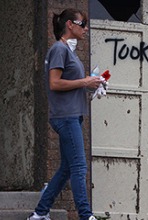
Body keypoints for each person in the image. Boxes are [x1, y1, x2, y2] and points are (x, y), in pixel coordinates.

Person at [27, 8, 102, 220]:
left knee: (67, 169)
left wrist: (93, 84)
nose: (86, 29)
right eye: (82, 24)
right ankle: (86, 216)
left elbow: (71, 83)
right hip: (66, 117)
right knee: (79, 167)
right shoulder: (59, 50)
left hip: (71, 115)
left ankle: (40, 214)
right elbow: (55, 83)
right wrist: (85, 81)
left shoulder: (69, 52)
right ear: (70, 24)